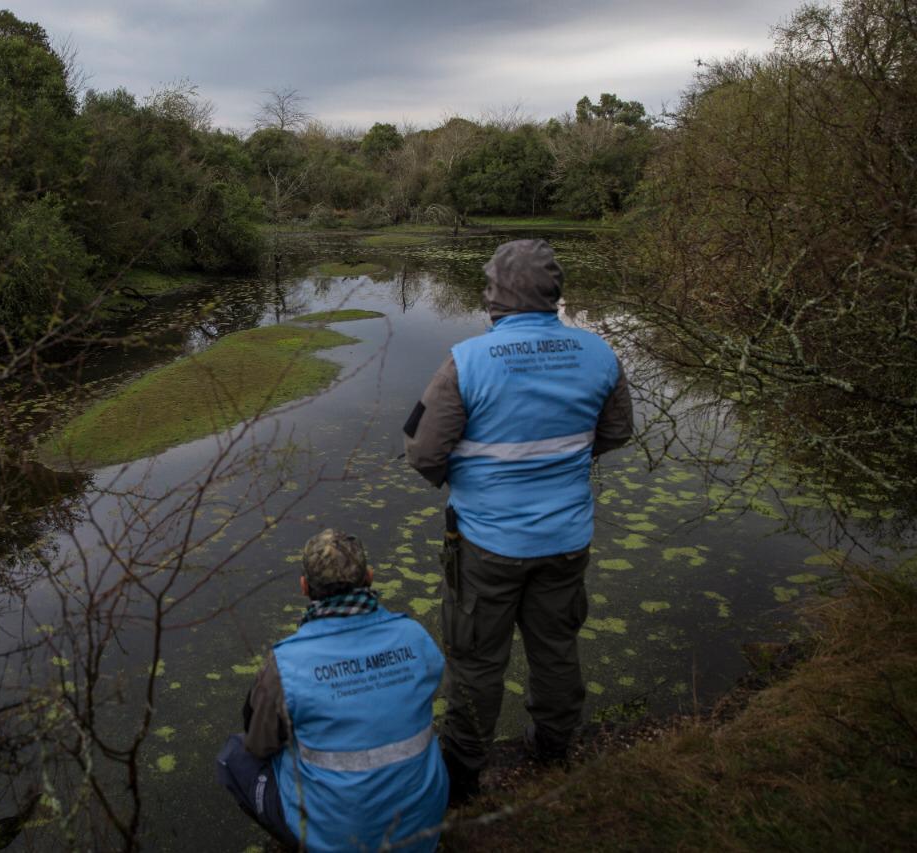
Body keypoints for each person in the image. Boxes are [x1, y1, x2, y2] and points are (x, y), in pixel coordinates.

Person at [403, 238, 633, 802]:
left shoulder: (466, 362)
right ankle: (554, 747)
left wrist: (471, 480)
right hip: (567, 539)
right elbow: (617, 431)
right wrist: (563, 466)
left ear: (495, 295)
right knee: (555, 647)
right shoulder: (599, 354)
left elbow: (424, 453)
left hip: (487, 544)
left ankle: (463, 771)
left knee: (478, 661)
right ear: (553, 292)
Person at [215, 529, 449, 851]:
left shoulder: (287, 663)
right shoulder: (414, 636)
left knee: (234, 755)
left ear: (304, 587)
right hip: (423, 828)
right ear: (369, 577)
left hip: (338, 841)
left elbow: (259, 745)